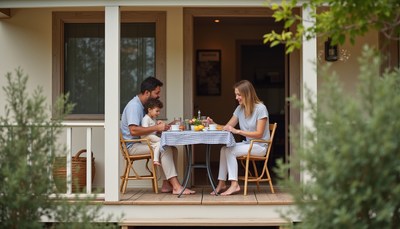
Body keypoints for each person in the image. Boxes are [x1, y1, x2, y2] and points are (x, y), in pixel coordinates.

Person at [120, 77, 195, 195]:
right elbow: (133, 131)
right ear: (146, 92)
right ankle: (176, 186)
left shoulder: (143, 106)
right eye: (157, 93)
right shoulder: (135, 106)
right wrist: (156, 128)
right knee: (164, 148)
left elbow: (148, 130)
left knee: (173, 149)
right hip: (133, 146)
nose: (158, 96)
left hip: (143, 142)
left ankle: (166, 184)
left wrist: (167, 126)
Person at [208, 80, 270, 196]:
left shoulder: (261, 108)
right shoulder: (240, 109)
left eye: (239, 95)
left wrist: (238, 131)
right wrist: (213, 124)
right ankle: (222, 183)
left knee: (230, 151)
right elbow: (228, 127)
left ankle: (234, 184)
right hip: (248, 144)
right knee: (224, 149)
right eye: (236, 94)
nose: (237, 97)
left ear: (247, 94)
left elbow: (259, 134)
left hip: (259, 145)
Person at [141, 98, 163, 166]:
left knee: (158, 144)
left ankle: (155, 160)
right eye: (157, 111)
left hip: (151, 139)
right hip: (146, 138)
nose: (158, 113)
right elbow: (145, 130)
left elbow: (154, 129)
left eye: (159, 111)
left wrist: (157, 124)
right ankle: (164, 141)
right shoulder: (146, 119)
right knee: (162, 141)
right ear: (149, 110)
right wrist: (156, 128)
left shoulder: (153, 118)